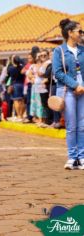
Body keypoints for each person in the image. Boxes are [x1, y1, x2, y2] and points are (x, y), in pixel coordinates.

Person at [52, 19, 84, 170]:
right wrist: (75, 85)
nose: (82, 34)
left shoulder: (83, 50)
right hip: (67, 90)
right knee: (71, 126)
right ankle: (72, 157)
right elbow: (57, 72)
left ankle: (82, 157)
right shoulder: (59, 51)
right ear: (70, 33)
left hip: (83, 91)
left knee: (82, 126)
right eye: (80, 31)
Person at [8, 55, 25, 121]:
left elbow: (9, 75)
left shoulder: (11, 68)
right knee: (22, 101)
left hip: (15, 85)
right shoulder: (22, 67)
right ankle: (21, 115)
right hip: (22, 84)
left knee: (16, 101)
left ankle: (18, 116)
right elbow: (24, 63)